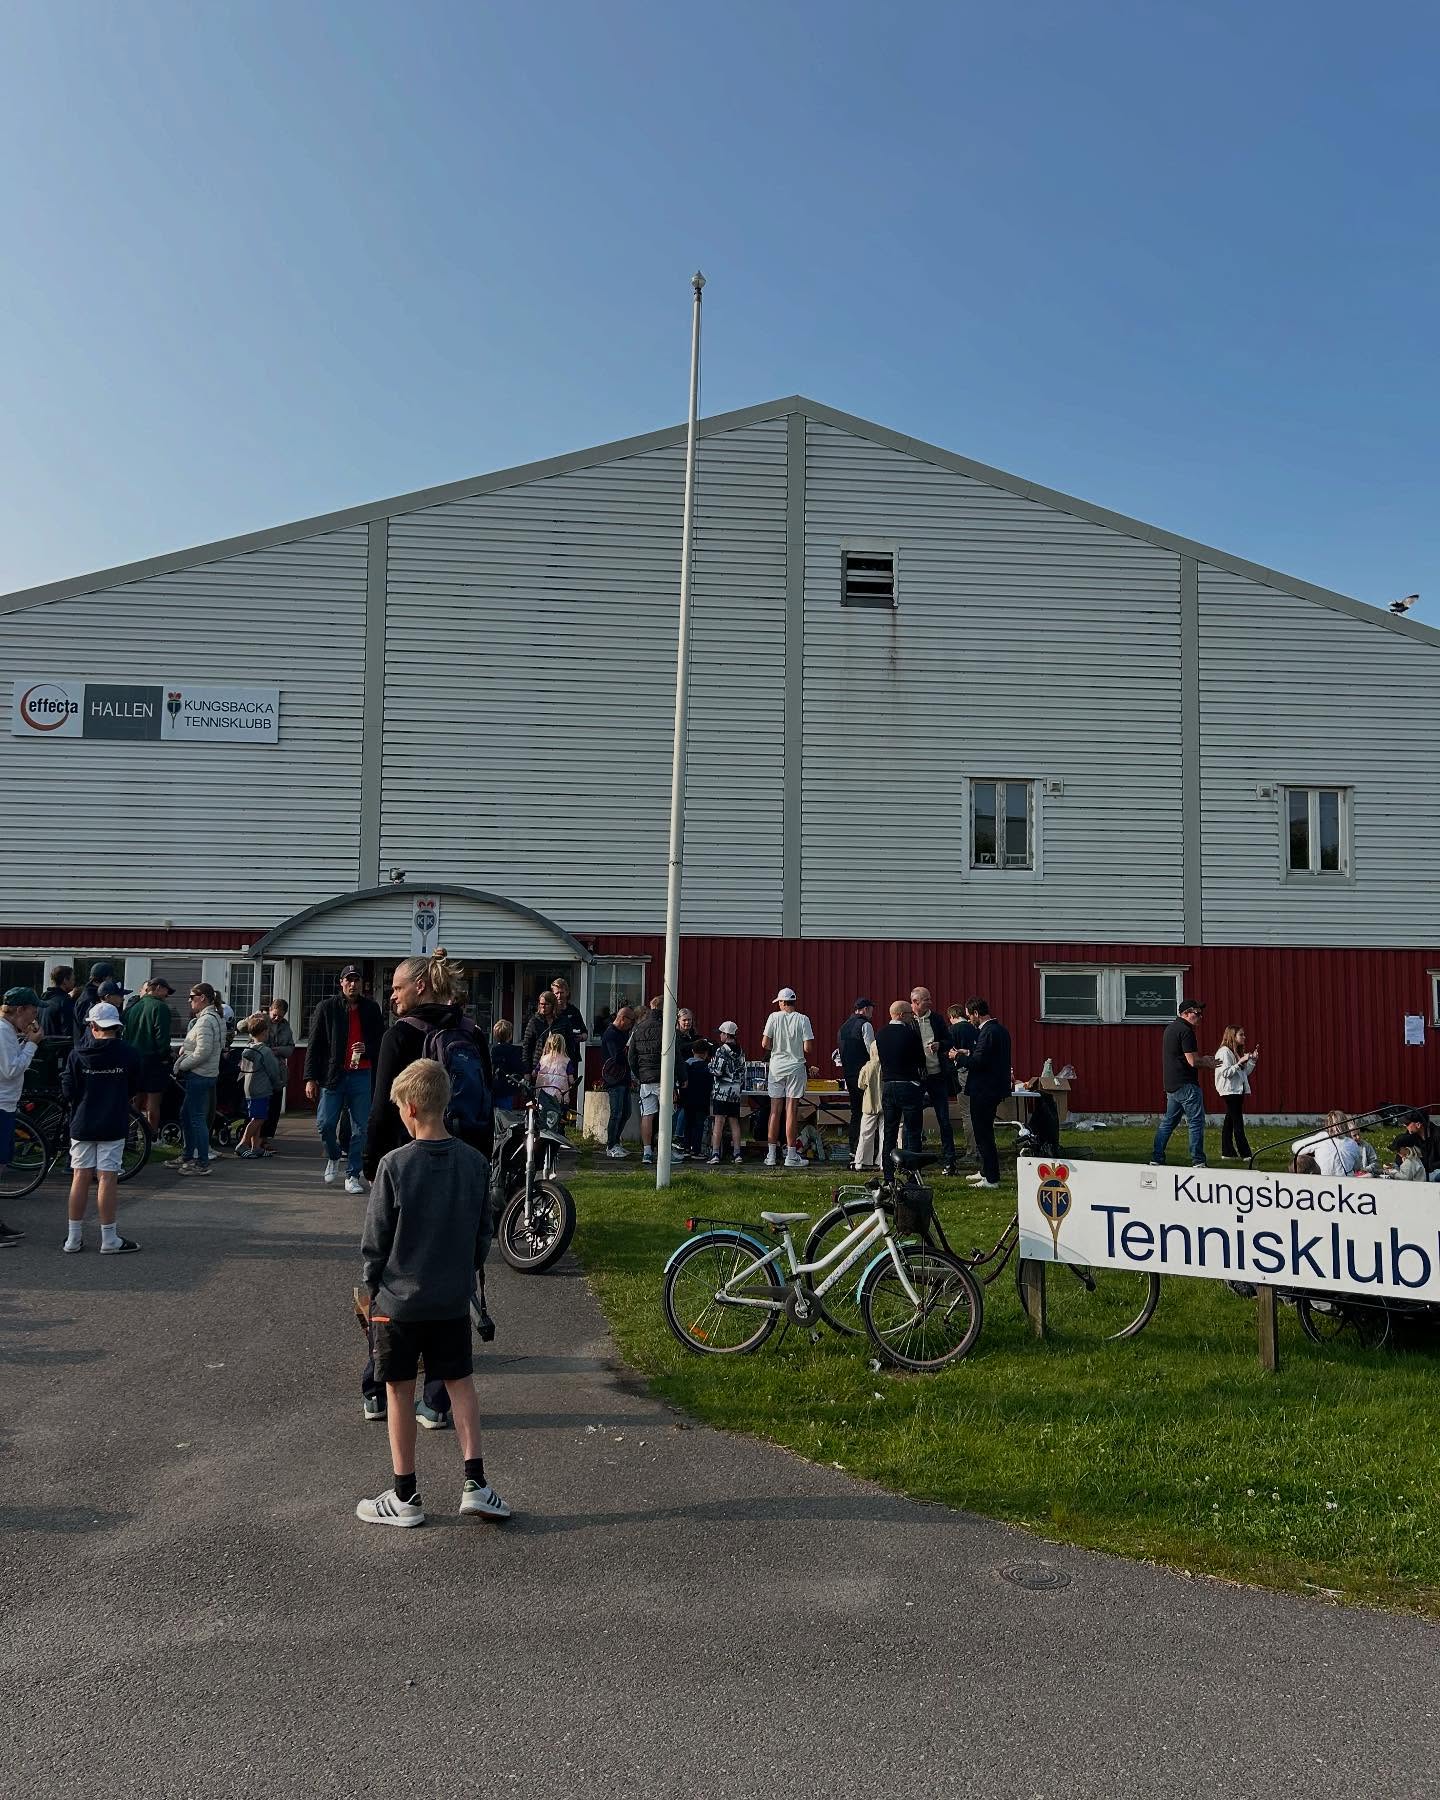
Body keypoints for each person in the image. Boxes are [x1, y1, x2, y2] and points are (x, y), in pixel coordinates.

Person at [356, 1058, 509, 1528]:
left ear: (413, 1107)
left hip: (398, 1303)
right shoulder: (474, 1163)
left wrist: (368, 1285)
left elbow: (377, 1238)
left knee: (398, 1390)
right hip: (450, 1299)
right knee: (461, 1383)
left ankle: (405, 1494)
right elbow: (485, 1233)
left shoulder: (394, 1165)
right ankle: (475, 1484)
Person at [361, 951, 492, 1429]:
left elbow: (380, 1109)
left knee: (393, 1282)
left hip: (406, 1172)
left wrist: (371, 1165)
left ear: (420, 986)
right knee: (450, 1277)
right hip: (463, 1169)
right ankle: (437, 1400)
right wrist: (479, 1169)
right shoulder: (473, 1032)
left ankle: (378, 1388)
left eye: (396, 986)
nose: (391, 994)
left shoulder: (400, 1035)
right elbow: (485, 1099)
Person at [61, 1001, 142, 1254]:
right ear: (116, 1026)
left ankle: (73, 1238)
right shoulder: (128, 1053)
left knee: (80, 1176)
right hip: (113, 1121)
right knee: (107, 1177)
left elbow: (68, 1090)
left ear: (93, 1025)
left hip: (83, 1122)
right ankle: (109, 1238)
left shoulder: (77, 1054)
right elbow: (135, 1086)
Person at [305, 964, 383, 1195]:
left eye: (356, 980)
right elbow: (314, 1044)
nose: (352, 984)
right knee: (325, 1124)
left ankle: (352, 1174)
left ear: (361, 984)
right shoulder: (326, 1008)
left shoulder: (371, 1008)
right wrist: (310, 1077)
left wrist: (366, 1048)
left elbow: (381, 1042)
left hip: (362, 1073)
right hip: (334, 1074)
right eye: (348, 980)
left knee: (360, 1129)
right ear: (341, 983)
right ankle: (333, 1156)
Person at [0, 986, 44, 1247]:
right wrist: (31, 1044)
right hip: (1, 1103)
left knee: (3, 1162)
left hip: (6, 1103)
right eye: (32, 1011)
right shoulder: (3, 1032)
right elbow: (10, 1070)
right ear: (20, 1010)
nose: (34, 1017)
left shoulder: (8, 1031)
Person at [955, 997, 1012, 1189]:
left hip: (984, 1089)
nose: (969, 1019)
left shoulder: (987, 1032)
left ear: (976, 1014)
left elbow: (978, 1063)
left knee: (983, 1134)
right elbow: (988, 1057)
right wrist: (970, 1053)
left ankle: (992, 1178)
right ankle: (985, 1171)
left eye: (970, 1015)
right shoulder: (1000, 1030)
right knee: (984, 1133)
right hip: (994, 1087)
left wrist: (959, 1057)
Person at [1150, 1000, 1213, 1170]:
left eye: (1201, 1014)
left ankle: (1156, 1158)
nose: (1200, 1017)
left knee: (1168, 1123)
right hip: (1186, 1084)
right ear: (1185, 1013)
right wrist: (1207, 1062)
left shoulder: (1170, 1029)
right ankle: (1198, 1161)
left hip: (1172, 1084)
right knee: (1196, 1122)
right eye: (1197, 1014)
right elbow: (1192, 1061)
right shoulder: (1186, 1031)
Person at [173, 982, 225, 1176]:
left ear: (202, 998)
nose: (189, 1001)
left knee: (196, 1118)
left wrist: (181, 1064)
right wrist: (186, 1049)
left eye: (192, 997)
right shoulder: (215, 1017)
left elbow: (203, 1052)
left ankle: (202, 1161)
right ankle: (188, 1155)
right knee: (186, 1114)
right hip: (207, 1073)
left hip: (200, 1074)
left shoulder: (205, 1021)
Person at [761, 987, 815, 1170]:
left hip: (777, 1067)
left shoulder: (773, 1017)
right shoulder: (803, 1019)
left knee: (774, 1111)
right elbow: (808, 1048)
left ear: (783, 1003)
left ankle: (770, 1154)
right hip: (796, 1067)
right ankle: (791, 1155)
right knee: (791, 1110)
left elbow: (765, 1043)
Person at [909, 986, 961, 1175]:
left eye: (929, 999)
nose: (930, 1002)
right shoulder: (908, 1021)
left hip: (937, 1075)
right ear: (915, 1002)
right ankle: (914, 1163)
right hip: (917, 1076)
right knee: (913, 1121)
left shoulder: (937, 1019)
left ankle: (950, 1161)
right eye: (926, 1000)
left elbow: (949, 1041)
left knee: (944, 1120)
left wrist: (940, 1045)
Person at [874, 999, 926, 1172]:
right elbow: (920, 1060)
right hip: (908, 1084)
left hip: (888, 1085)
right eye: (910, 1014)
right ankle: (912, 1172)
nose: (912, 1017)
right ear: (902, 1014)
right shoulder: (910, 1034)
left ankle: (888, 1171)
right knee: (912, 1131)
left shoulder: (880, 1034)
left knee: (889, 1131)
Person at [124, 977, 175, 1131]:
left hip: (133, 1059)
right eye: (167, 992)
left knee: (135, 1100)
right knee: (153, 1102)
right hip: (153, 1060)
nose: (167, 996)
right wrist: (166, 1056)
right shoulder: (160, 1007)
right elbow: (162, 1037)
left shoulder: (133, 1007)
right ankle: (151, 1136)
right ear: (158, 988)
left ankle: (130, 1134)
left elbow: (125, 1034)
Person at [235, 1014, 285, 1160]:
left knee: (257, 1116)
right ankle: (243, 1144)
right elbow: (273, 1071)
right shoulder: (265, 1051)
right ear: (264, 1032)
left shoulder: (249, 1049)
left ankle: (255, 1146)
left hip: (250, 1087)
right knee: (259, 1118)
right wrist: (278, 1084)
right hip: (262, 1088)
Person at [835, 999, 876, 1165]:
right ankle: (867, 1151)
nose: (872, 1013)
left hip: (849, 1074)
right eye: (872, 1010)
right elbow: (872, 1051)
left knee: (855, 1112)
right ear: (865, 1009)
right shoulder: (865, 1026)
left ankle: (853, 1148)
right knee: (869, 1112)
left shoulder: (843, 1027)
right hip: (864, 1074)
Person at [1214, 1025, 1260, 1162]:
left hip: (1237, 1090)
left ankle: (1227, 1152)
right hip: (1229, 1091)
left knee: (1229, 1122)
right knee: (1238, 1123)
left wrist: (1252, 1061)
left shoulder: (1235, 1052)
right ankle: (1246, 1154)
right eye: (1241, 1035)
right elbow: (1226, 1073)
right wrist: (1240, 1062)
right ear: (1233, 1036)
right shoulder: (1224, 1052)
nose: (1244, 1037)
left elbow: (1244, 1073)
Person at [629, 995, 664, 1166]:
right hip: (663, 1078)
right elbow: (675, 1056)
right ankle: (664, 1150)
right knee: (666, 1114)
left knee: (647, 1115)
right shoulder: (665, 1028)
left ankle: (647, 1151)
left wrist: (640, 1073)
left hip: (646, 1079)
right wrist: (681, 1078)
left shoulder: (638, 1029)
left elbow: (631, 1057)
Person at [708, 1022, 746, 1166]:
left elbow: (717, 1071)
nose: (720, 1036)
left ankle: (715, 1153)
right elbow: (742, 1070)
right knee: (734, 1122)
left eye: (721, 1033)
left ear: (726, 1034)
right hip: (735, 1091)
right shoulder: (740, 1050)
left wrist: (709, 1066)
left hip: (722, 1091)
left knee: (719, 1121)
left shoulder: (721, 1051)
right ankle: (737, 1154)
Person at [600, 1005, 634, 1159]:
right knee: (616, 1113)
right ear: (622, 1018)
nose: (631, 1024)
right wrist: (629, 1051)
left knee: (626, 1112)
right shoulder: (610, 1035)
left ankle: (616, 1142)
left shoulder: (623, 1033)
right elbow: (617, 1058)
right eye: (630, 1021)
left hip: (625, 1078)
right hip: (614, 1079)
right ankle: (611, 1145)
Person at [262, 999, 296, 1149]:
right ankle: (257, 1138)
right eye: (274, 1015)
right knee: (263, 1105)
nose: (276, 1019)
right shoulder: (262, 1021)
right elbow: (243, 1028)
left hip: (278, 1069)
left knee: (275, 1106)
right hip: (262, 1069)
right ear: (270, 1010)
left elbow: (290, 1047)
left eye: (280, 1017)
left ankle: (266, 1138)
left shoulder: (286, 1028)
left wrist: (279, 1050)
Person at [1294, 1110, 1366, 1177]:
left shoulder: (1321, 1137)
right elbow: (1357, 1167)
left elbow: (1295, 1148)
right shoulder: (1352, 1143)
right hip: (1346, 1181)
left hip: (1324, 1180)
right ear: (1345, 1124)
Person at [947, 1001, 978, 1152]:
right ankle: (980, 1147)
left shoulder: (952, 1030)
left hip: (962, 1072)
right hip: (977, 1072)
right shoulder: (975, 1028)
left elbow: (948, 1053)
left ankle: (971, 1150)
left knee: (967, 1113)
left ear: (953, 1016)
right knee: (977, 1112)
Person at [679, 1040, 715, 1160]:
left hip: (687, 1100)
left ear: (693, 1051)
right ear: (705, 1053)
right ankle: (696, 1150)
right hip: (702, 1101)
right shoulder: (707, 1068)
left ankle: (686, 1148)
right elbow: (710, 1085)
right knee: (699, 1125)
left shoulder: (686, 1065)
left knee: (688, 1124)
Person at [853, 1033, 883, 1172]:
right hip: (884, 1103)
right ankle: (883, 1161)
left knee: (865, 1133)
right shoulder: (886, 1066)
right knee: (885, 1134)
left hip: (869, 1104)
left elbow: (860, 1085)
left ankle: (861, 1161)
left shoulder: (867, 1067)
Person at [547, 977, 589, 1072]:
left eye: (562, 992)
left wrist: (581, 1037)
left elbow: (585, 1033)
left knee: (571, 1085)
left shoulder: (574, 1011)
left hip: (571, 1056)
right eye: (556, 993)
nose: (559, 996)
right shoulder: (549, 1012)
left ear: (567, 993)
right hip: (552, 1058)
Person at [1389, 1109, 1440, 1181]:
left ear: (1418, 1125)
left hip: (1434, 1172)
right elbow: (1400, 1156)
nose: (1404, 1125)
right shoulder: (1410, 1135)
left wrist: (1424, 1166)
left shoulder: (1437, 1134)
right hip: (1416, 1171)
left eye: (1407, 1124)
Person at [72, 962, 115, 1042]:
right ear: (106, 978)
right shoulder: (90, 998)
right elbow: (86, 1025)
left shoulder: (87, 994)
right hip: (87, 1045)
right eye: (110, 978)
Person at [490, 1019, 525, 1118]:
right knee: (506, 1115)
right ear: (510, 1035)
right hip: (508, 1087)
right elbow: (519, 1068)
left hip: (494, 1086)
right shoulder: (515, 1051)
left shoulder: (493, 1050)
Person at [536, 1031, 571, 1128]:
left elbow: (534, 1073)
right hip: (559, 1096)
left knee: (543, 1119)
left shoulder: (543, 1059)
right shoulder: (566, 1061)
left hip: (543, 1095)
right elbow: (571, 1079)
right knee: (559, 1121)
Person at [521, 990, 559, 1073]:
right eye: (541, 1004)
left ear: (553, 1006)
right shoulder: (534, 1021)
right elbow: (527, 1046)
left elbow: (569, 1044)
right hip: (538, 1064)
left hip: (557, 1065)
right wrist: (527, 1070)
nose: (543, 1007)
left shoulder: (561, 1021)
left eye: (546, 1004)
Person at [37, 966, 76, 1039]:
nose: (74, 983)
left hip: (42, 1046)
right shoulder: (65, 1002)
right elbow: (68, 1031)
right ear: (65, 980)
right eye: (73, 979)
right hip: (59, 1047)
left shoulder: (42, 1000)